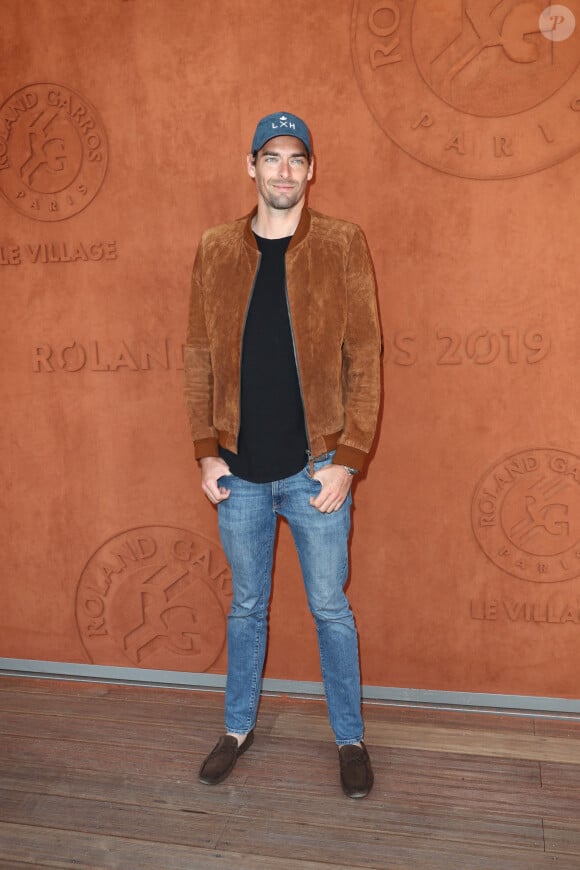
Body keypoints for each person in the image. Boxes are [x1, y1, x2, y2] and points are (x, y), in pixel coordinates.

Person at [184, 111, 381, 798]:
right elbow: (198, 356)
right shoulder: (214, 249)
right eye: (272, 158)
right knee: (245, 608)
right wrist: (207, 455)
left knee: (330, 608)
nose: (284, 171)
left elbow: (366, 356)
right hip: (238, 473)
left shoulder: (341, 244)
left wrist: (348, 460)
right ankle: (237, 729)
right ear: (252, 167)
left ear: (311, 171)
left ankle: (349, 739)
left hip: (314, 471)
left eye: (297, 159)